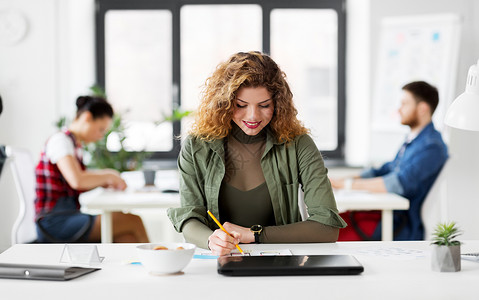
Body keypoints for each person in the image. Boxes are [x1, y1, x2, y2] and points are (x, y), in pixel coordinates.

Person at [167, 51, 346, 255]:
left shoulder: (299, 145)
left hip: (282, 263)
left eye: (264, 105)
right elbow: (190, 216)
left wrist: (254, 234)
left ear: (278, 104)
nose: (253, 116)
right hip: (219, 261)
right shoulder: (197, 145)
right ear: (224, 103)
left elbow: (327, 227)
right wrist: (211, 239)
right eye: (241, 105)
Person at [330, 81, 448, 241]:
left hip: (398, 224)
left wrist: (347, 185)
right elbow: (386, 169)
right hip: (384, 216)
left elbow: (398, 183)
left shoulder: (432, 147)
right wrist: (344, 180)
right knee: (328, 224)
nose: (399, 110)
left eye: (405, 104)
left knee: (330, 235)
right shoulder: (414, 140)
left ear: (423, 109)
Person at [35, 95, 149, 243]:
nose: (100, 136)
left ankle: (142, 265)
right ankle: (157, 264)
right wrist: (108, 176)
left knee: (127, 237)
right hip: (54, 222)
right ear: (87, 117)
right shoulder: (60, 141)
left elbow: (74, 183)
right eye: (101, 129)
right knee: (133, 221)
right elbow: (77, 180)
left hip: (67, 216)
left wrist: (102, 182)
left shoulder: (74, 146)